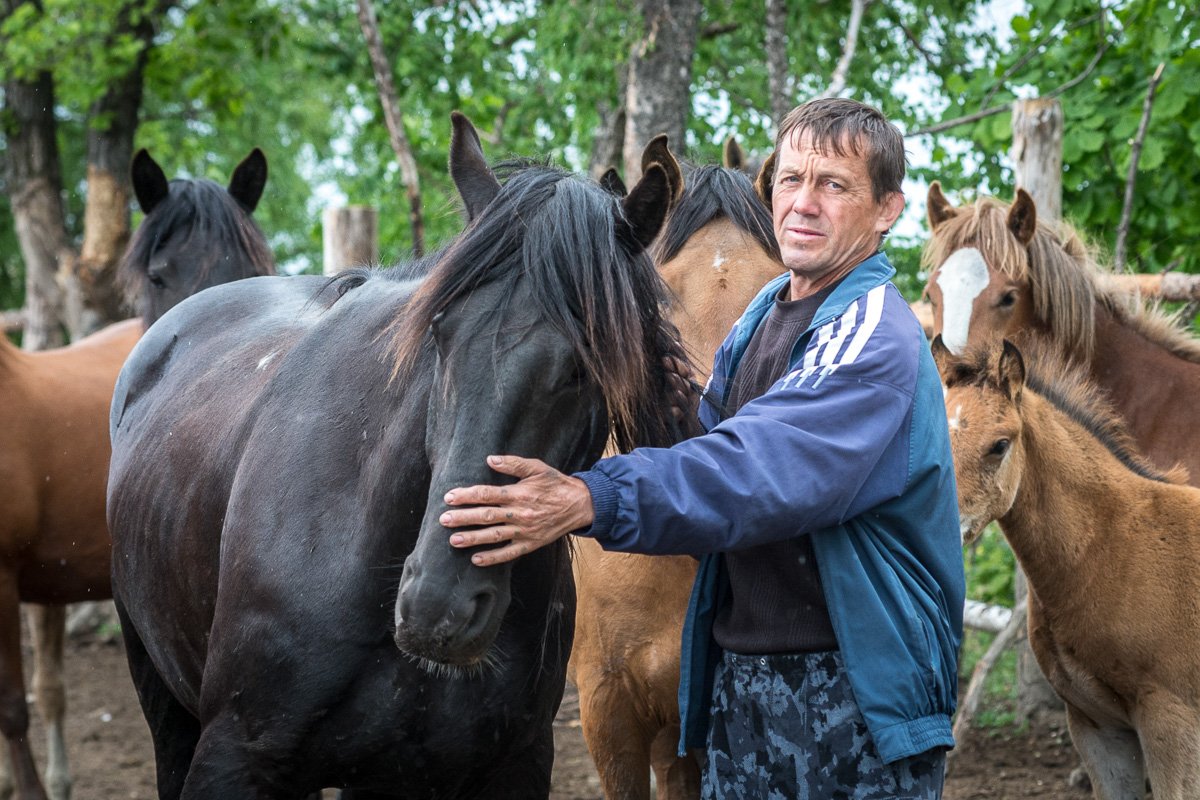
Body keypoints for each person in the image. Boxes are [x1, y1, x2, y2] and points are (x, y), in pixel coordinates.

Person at [440, 97, 965, 799]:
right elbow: (705, 430)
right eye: (792, 180)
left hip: (855, 686)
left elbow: (759, 467)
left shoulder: (872, 336)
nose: (804, 204)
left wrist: (589, 494)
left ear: (886, 210)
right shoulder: (765, 314)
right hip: (748, 677)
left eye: (833, 186)